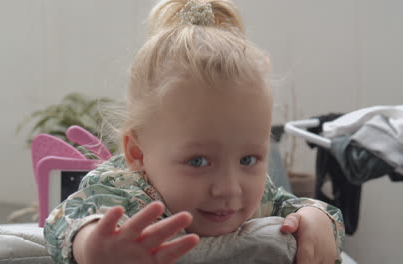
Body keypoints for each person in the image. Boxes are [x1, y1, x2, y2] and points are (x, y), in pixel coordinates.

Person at [44, 0, 345, 263]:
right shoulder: (121, 190)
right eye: (199, 161)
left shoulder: (261, 195)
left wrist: (318, 220)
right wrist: (92, 244)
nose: (229, 188)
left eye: (248, 160)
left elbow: (300, 207)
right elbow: (65, 217)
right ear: (137, 153)